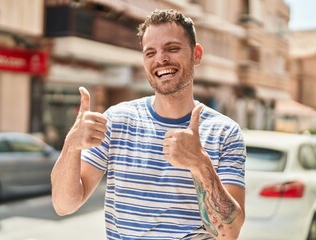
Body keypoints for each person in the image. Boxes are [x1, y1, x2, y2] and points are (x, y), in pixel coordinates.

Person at [51, 9, 246, 240]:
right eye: (150, 52)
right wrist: (71, 146)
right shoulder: (117, 120)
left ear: (196, 54)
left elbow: (229, 233)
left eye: (172, 48)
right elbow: (64, 205)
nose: (160, 59)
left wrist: (200, 165)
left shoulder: (225, 132)